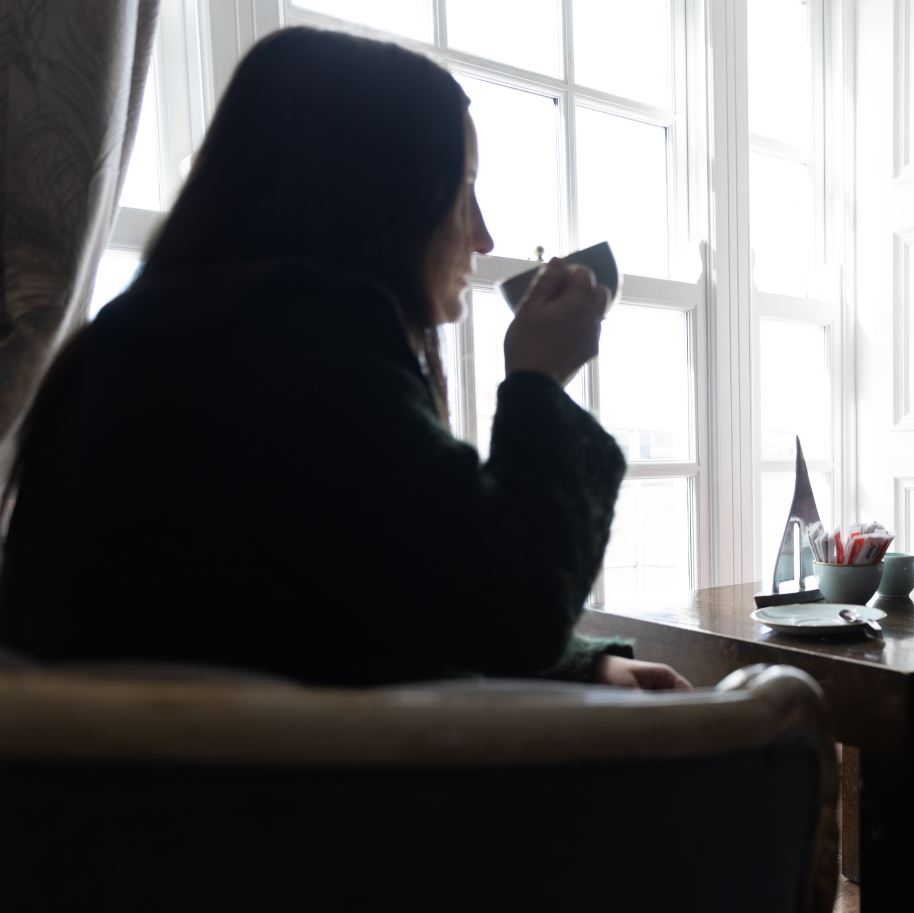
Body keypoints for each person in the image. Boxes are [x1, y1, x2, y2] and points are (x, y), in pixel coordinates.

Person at [0, 27, 687, 691]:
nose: (483, 236)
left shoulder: (137, 345)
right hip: (273, 806)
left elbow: (348, 607)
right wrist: (538, 381)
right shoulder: (307, 354)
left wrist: (582, 665)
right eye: (464, 186)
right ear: (379, 196)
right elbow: (514, 605)